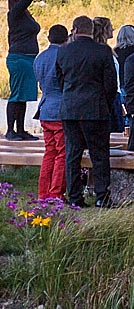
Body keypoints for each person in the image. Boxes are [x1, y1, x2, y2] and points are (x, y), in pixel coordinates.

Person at [56, 15, 116, 208]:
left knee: (72, 154)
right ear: (91, 30)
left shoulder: (63, 51)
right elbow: (110, 84)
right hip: (95, 108)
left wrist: (69, 97)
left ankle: (75, 197)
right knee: (99, 154)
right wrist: (105, 103)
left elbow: (60, 80)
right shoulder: (102, 51)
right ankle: (101, 196)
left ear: (74, 29)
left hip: (70, 108)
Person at [6, 0, 58, 140]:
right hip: (19, 58)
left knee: (24, 96)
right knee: (16, 95)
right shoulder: (15, 13)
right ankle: (10, 130)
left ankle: (20, 130)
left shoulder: (24, 16)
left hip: (28, 58)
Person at [33, 24, 67, 200]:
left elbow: (40, 83)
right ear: (66, 38)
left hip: (45, 108)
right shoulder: (63, 55)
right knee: (62, 153)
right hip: (61, 109)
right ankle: (56, 193)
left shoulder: (40, 57)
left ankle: (43, 192)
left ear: (49, 38)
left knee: (49, 152)